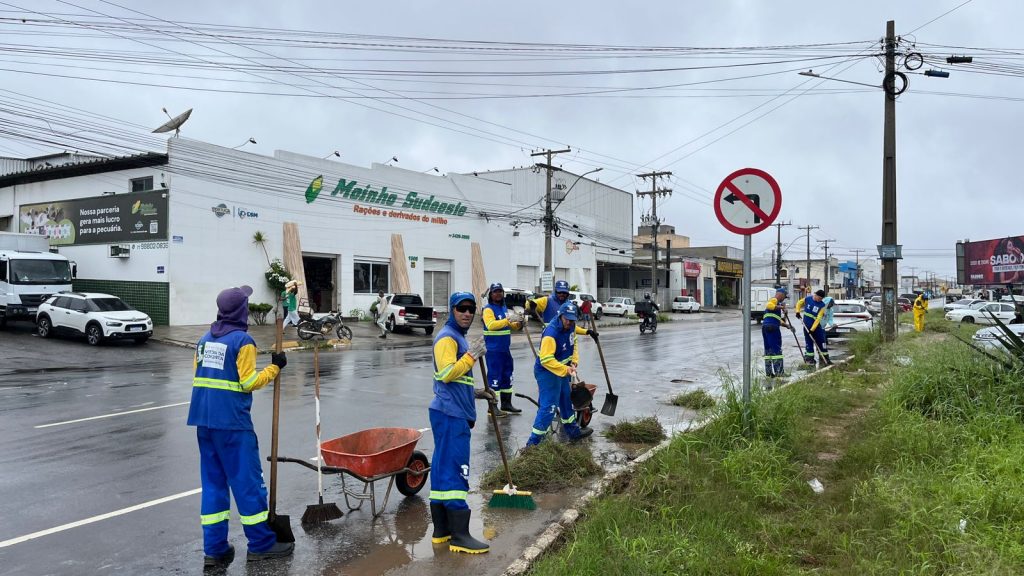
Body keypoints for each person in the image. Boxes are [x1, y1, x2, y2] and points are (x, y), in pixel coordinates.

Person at [187, 285, 293, 567]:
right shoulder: (242, 341)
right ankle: (261, 544)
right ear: (241, 311)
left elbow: (201, 376)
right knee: (247, 483)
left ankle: (215, 550)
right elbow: (247, 382)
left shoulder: (204, 340)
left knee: (213, 485)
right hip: (232, 424)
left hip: (204, 423)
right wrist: (275, 368)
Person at [429, 291, 491, 554]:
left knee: (442, 468)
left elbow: (456, 381)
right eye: (461, 308)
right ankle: (460, 536)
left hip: (449, 410)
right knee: (456, 469)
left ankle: (442, 530)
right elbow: (446, 374)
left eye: (470, 309)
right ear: (452, 310)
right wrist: (472, 356)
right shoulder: (448, 338)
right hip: (451, 414)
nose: (467, 313)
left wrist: (476, 393)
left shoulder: (458, 337)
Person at [526, 301, 595, 447]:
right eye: (567, 319)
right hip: (547, 372)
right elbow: (546, 360)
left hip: (562, 370)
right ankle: (533, 444)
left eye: (572, 320)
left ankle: (573, 432)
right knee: (549, 408)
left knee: (566, 399)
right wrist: (565, 370)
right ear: (560, 316)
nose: (569, 322)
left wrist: (574, 361)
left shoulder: (571, 327)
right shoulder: (551, 334)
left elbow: (573, 342)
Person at [481, 283, 524, 416]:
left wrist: (519, 323)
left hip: (505, 349)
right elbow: (491, 325)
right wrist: (508, 320)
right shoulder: (488, 309)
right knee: (495, 378)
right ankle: (492, 407)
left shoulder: (503, 308)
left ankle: (506, 404)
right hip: (494, 351)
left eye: (500, 291)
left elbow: (509, 325)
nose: (498, 294)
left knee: (507, 375)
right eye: (495, 291)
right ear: (491, 294)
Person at [761, 287, 790, 379]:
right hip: (772, 328)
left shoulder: (776, 305)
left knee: (768, 350)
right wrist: (782, 307)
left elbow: (778, 320)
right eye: (784, 297)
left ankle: (769, 373)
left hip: (766, 327)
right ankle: (779, 372)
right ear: (781, 294)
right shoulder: (774, 300)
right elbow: (769, 305)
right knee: (777, 349)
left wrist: (787, 323)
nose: (784, 299)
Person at [796, 289, 830, 365]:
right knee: (808, 341)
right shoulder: (808, 299)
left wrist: (812, 329)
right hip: (806, 325)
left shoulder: (822, 305)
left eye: (821, 299)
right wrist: (797, 311)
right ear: (816, 295)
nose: (820, 300)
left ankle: (825, 358)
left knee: (822, 341)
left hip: (816, 327)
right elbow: (799, 303)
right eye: (819, 298)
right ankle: (810, 359)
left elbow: (818, 318)